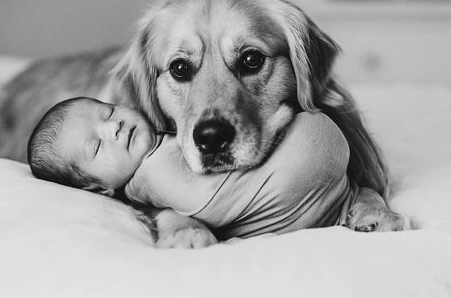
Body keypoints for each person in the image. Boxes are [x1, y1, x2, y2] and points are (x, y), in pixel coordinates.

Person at [28, 97, 356, 240]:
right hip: (295, 198)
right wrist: (275, 125)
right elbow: (208, 199)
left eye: (108, 111)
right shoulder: (151, 175)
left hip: (321, 190)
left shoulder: (166, 140)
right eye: (97, 146)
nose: (112, 128)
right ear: (98, 189)